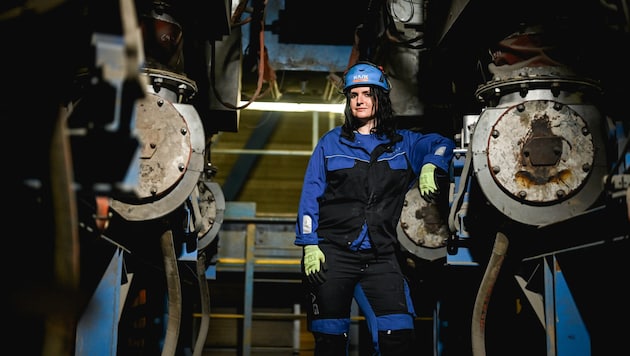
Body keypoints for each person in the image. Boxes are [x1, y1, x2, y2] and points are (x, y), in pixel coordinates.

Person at [294, 61, 455, 355]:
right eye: (354, 94)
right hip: (332, 255)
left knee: (398, 336)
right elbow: (310, 194)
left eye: (367, 93)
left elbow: (442, 144)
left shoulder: (403, 143)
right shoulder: (331, 143)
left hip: (381, 257)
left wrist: (432, 164)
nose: (360, 100)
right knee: (330, 341)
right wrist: (308, 243)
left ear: (380, 98)